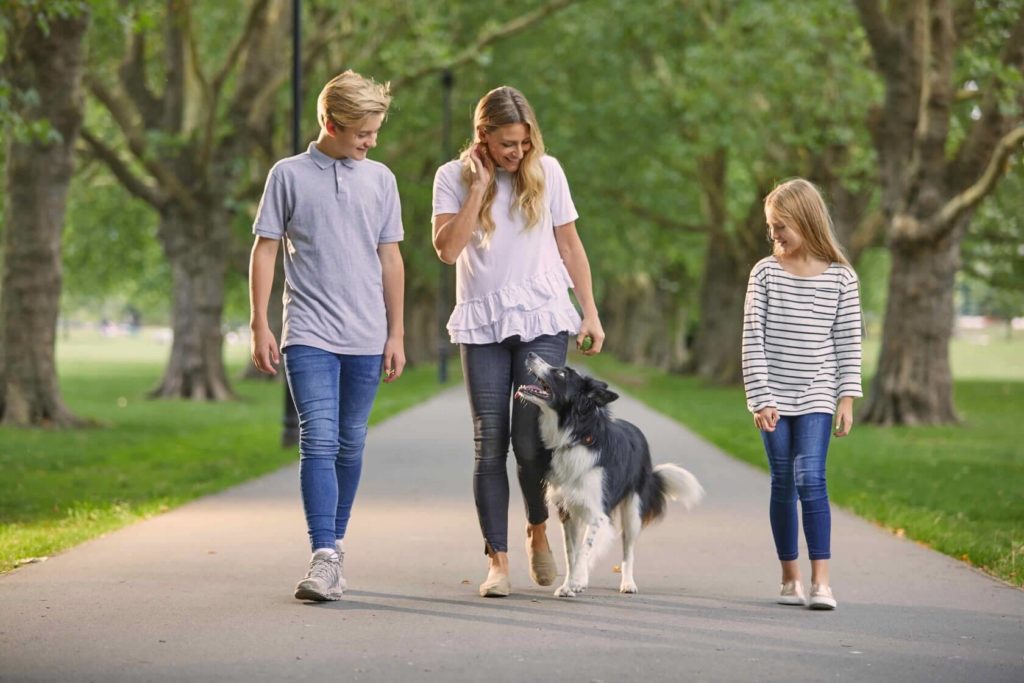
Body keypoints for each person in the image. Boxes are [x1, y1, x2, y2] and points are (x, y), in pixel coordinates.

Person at [431, 86, 605, 597]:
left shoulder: (548, 172)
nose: (518, 152)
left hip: (543, 318)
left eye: (524, 142)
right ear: (482, 136)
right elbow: (446, 250)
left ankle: (536, 529)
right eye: (508, 143)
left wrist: (589, 312)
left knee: (531, 444)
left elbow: (570, 244)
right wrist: (479, 190)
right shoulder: (451, 177)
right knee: (489, 445)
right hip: (482, 325)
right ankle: (498, 563)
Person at [249, 70, 405, 601]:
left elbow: (391, 258)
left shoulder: (381, 179)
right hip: (308, 330)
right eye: (363, 132)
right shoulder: (287, 175)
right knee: (317, 436)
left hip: (367, 333)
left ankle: (333, 547)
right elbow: (266, 248)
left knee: (351, 440)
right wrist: (259, 321)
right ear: (331, 124)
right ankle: (324, 554)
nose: (371, 141)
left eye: (376, 131)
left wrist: (397, 332)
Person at [741, 178, 862, 610]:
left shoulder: (842, 278)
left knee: (811, 478)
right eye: (770, 227)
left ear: (807, 221)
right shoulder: (765, 272)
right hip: (773, 393)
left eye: (781, 226)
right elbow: (752, 338)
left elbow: (848, 340)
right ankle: (789, 577)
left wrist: (846, 398)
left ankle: (821, 582)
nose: (774, 235)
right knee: (783, 481)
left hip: (817, 394)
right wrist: (760, 398)